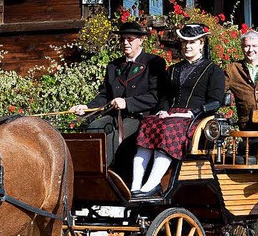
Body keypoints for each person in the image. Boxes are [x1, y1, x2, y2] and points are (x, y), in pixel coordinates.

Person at [130, 23, 225, 198]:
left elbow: (216, 101)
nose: (187, 46)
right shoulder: (173, 69)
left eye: (192, 42)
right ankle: (135, 186)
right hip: (172, 115)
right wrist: (163, 111)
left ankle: (152, 185)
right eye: (184, 43)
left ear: (201, 43)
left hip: (196, 119)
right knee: (148, 123)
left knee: (168, 128)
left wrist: (193, 112)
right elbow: (165, 96)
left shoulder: (213, 70)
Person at [69, 21, 166, 167]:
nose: (126, 43)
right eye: (122, 39)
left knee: (112, 140)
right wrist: (86, 107)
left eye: (130, 39)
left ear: (140, 40)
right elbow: (104, 96)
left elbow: (155, 97)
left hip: (140, 118)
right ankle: (85, 172)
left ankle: (106, 177)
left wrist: (127, 103)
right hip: (114, 116)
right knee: (94, 128)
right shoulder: (113, 66)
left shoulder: (154, 62)